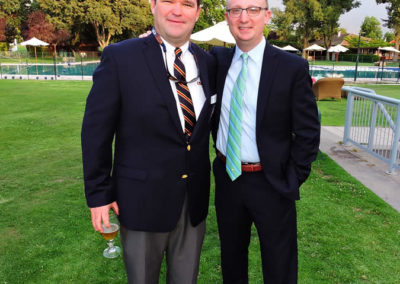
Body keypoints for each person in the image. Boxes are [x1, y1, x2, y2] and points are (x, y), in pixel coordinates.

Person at [81, 0, 216, 282]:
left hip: (193, 204)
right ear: (153, 5)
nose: (177, 10)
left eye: (187, 4)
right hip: (140, 201)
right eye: (169, 1)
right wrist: (98, 194)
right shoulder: (120, 57)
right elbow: (96, 131)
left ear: (198, 12)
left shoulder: (208, 62)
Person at [211, 0, 321, 283]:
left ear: (267, 15)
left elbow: (308, 132)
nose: (244, 18)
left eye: (253, 9)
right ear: (227, 17)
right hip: (228, 177)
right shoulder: (217, 61)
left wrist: (292, 178)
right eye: (236, 10)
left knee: (279, 263)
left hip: (272, 182)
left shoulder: (291, 67)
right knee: (231, 259)